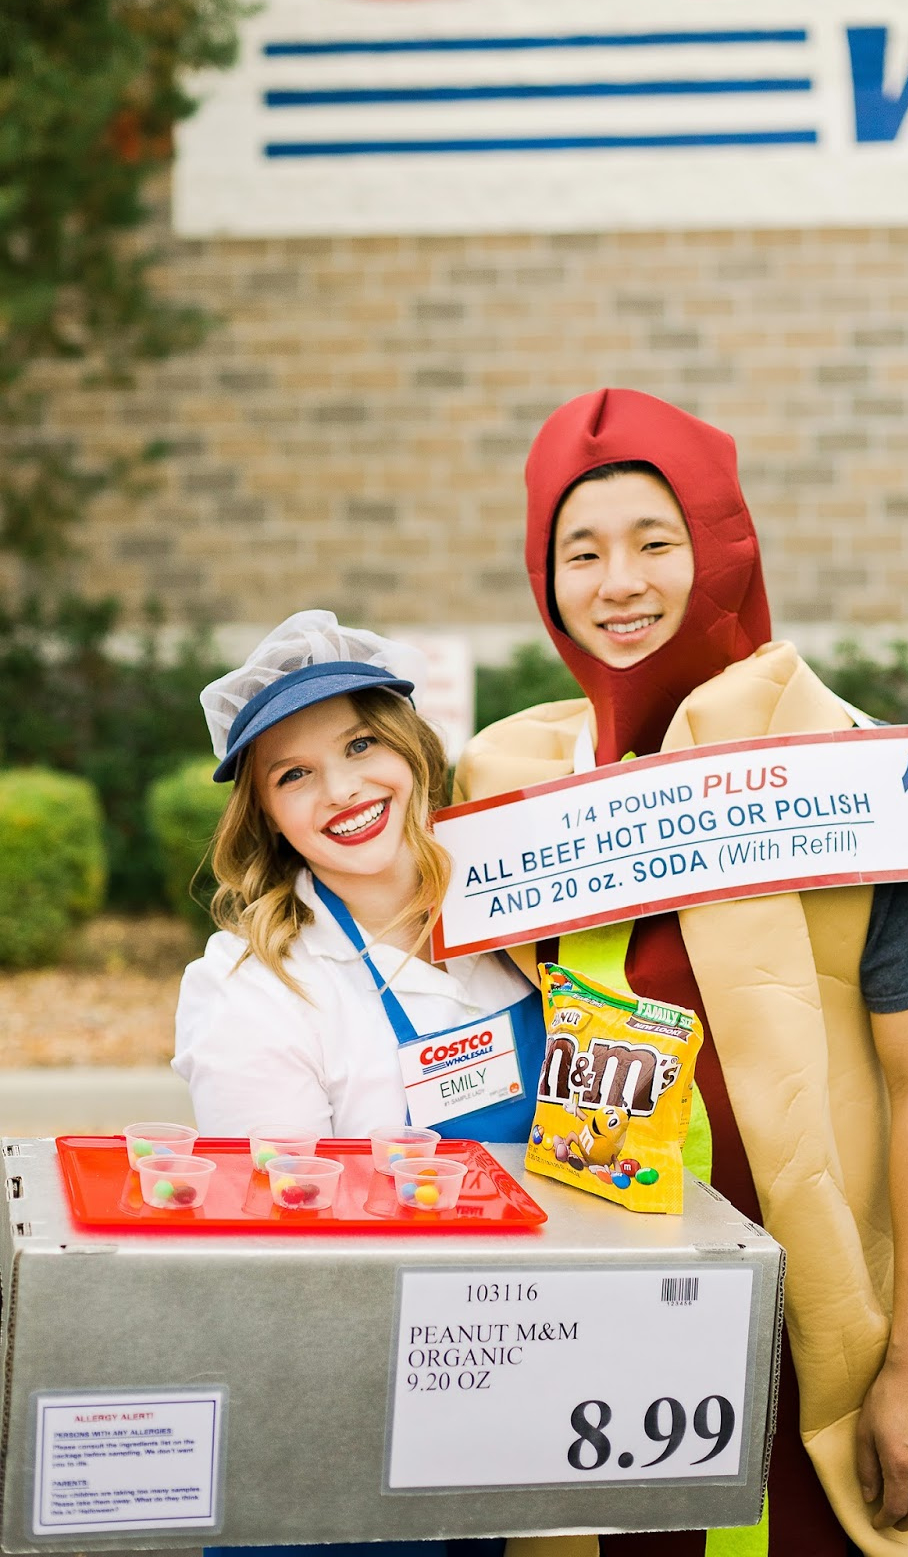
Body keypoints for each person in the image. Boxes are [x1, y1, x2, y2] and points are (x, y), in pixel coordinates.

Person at [454, 389, 908, 1557]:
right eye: (580, 551)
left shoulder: (853, 779)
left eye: (657, 541)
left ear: (723, 545)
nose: (620, 583)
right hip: (582, 1340)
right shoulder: (507, 791)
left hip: (813, 1346)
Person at [173, 610, 572, 1557]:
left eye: (360, 744)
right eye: (294, 774)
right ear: (265, 814)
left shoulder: (520, 931)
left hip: (525, 1396)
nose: (343, 789)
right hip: (341, 1431)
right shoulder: (255, 991)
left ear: (412, 752)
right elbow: (290, 1267)